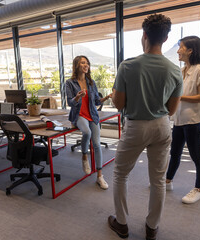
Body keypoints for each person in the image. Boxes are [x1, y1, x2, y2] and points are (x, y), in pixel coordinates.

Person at [108, 14, 183, 240]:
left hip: (136, 126)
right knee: (158, 179)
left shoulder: (128, 66)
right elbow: (171, 110)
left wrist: (114, 95)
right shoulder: (175, 70)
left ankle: (121, 224)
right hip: (162, 126)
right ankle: (152, 228)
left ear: (144, 36)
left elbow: (119, 104)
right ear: (166, 37)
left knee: (121, 174)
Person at [165, 36, 200, 204]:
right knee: (174, 152)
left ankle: (199, 189)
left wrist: (179, 97)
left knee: (196, 156)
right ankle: (168, 181)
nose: (178, 51)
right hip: (180, 119)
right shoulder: (183, 70)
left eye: (181, 47)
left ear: (190, 50)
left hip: (194, 121)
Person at [65, 55, 112, 190]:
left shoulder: (91, 82)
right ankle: (84, 155)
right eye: (82, 63)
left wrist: (106, 98)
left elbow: (97, 101)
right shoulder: (70, 82)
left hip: (92, 114)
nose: (86, 65)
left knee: (97, 144)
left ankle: (100, 177)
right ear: (77, 66)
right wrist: (78, 96)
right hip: (79, 114)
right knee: (86, 132)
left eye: (87, 63)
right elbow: (70, 102)